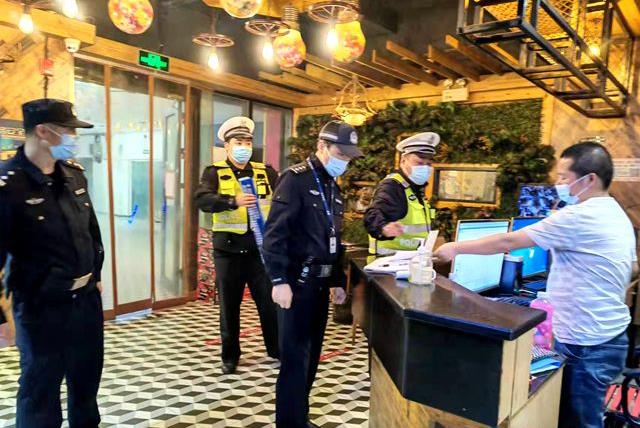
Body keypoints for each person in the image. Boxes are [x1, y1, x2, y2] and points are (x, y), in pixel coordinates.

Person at [433, 142, 638, 428]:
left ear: (589, 179)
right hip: (611, 337)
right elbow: (631, 267)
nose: (558, 184)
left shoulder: (580, 215)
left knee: (578, 422)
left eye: (564, 177)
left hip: (586, 345)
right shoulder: (615, 212)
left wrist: (455, 248)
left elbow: (509, 241)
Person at [0, 99, 105, 427]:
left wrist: (96, 275)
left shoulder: (74, 176)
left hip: (85, 302)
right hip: (40, 308)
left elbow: (92, 231)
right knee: (40, 394)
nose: (74, 137)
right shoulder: (9, 184)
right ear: (43, 132)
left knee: (86, 386)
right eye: (69, 130)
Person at [263, 120, 362, 428]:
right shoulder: (295, 179)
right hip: (296, 284)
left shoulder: (332, 186)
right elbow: (274, 235)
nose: (344, 161)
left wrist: (336, 281)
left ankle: (300, 418)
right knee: (294, 360)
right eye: (340, 154)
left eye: (348, 156)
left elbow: (332, 239)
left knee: (311, 357)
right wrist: (278, 280)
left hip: (319, 286)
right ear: (322, 146)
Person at [195, 116, 279, 375]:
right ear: (227, 146)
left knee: (269, 304)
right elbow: (202, 200)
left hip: (259, 252)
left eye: (247, 142)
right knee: (229, 307)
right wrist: (233, 201)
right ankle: (230, 357)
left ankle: (276, 349)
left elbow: (281, 200)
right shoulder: (214, 172)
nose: (244, 146)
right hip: (228, 251)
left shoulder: (266, 172)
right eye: (238, 142)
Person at [364, 132, 439, 254]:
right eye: (420, 163)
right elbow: (373, 214)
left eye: (429, 164)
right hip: (387, 260)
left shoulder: (414, 188)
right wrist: (383, 228)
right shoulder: (392, 186)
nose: (425, 168)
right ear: (403, 161)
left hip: (411, 259)